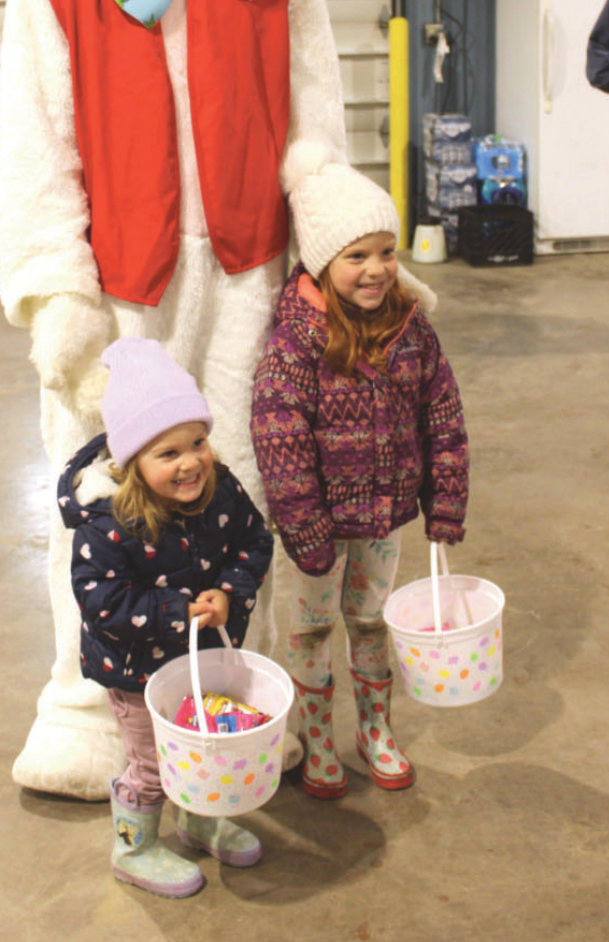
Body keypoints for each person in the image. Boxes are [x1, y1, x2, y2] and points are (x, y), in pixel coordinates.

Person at [250, 160, 469, 799]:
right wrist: (305, 528)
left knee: (371, 621)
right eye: (356, 256)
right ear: (321, 262)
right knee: (314, 627)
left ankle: (375, 731)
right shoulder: (295, 343)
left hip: (385, 521)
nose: (376, 269)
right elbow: (279, 439)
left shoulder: (412, 330)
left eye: (386, 253)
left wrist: (445, 503)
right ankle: (318, 739)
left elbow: (444, 417)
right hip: (319, 532)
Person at [58, 336, 274, 898]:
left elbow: (253, 542)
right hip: (137, 674)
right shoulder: (106, 525)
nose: (191, 463)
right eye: (168, 453)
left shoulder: (220, 490)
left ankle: (200, 818)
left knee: (205, 745)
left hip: (203, 661)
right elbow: (103, 601)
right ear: (130, 461)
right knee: (153, 765)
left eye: (197, 442)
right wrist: (179, 612)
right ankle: (135, 848)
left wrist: (229, 591)